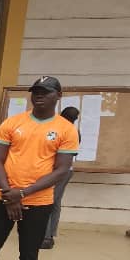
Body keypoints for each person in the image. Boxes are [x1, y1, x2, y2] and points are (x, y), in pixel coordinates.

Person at [0, 76, 78, 260]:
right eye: (36, 91)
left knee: (29, 254)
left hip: (38, 202)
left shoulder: (66, 129)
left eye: (46, 91)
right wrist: (9, 194)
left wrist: (22, 194)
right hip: (3, 197)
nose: (39, 95)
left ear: (59, 95)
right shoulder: (12, 123)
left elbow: (61, 170)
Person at [41, 106, 80, 249]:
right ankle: (50, 234)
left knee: (48, 201)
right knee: (56, 202)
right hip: (67, 171)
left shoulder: (61, 130)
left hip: (57, 171)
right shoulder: (75, 131)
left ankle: (46, 237)